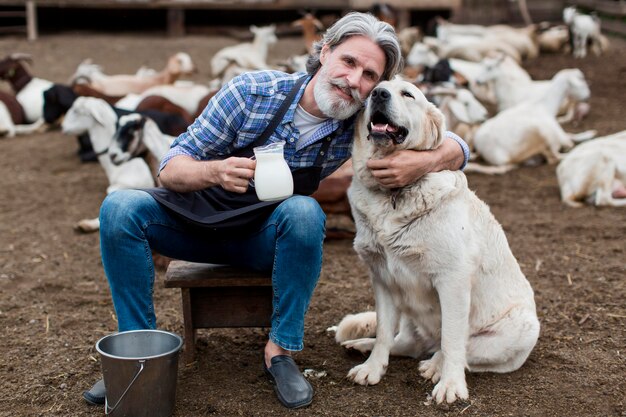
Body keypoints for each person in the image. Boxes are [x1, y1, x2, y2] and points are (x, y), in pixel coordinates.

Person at [83, 11, 470, 409]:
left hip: (261, 240)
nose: (354, 80)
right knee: (119, 207)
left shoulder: (357, 116)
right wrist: (214, 170)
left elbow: (454, 140)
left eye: (369, 75)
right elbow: (170, 168)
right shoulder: (251, 91)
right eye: (349, 62)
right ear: (323, 52)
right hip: (194, 227)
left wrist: (424, 162)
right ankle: (136, 355)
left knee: (304, 213)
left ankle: (280, 352)